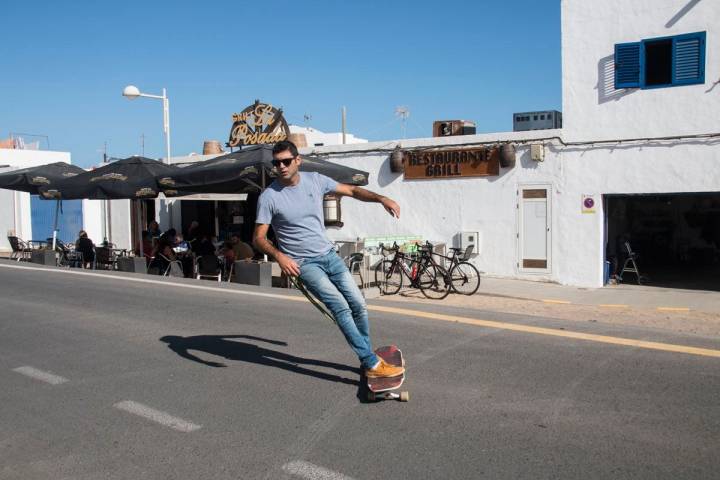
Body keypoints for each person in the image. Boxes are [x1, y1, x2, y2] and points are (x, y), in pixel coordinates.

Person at [253, 140, 404, 379]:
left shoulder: (315, 179)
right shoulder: (269, 196)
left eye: (286, 161)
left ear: (297, 160)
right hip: (304, 264)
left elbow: (353, 190)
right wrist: (280, 256)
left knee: (358, 305)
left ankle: (367, 359)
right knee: (340, 307)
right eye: (276, 162)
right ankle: (371, 362)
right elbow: (258, 238)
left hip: (329, 255)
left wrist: (382, 199)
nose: (281, 166)